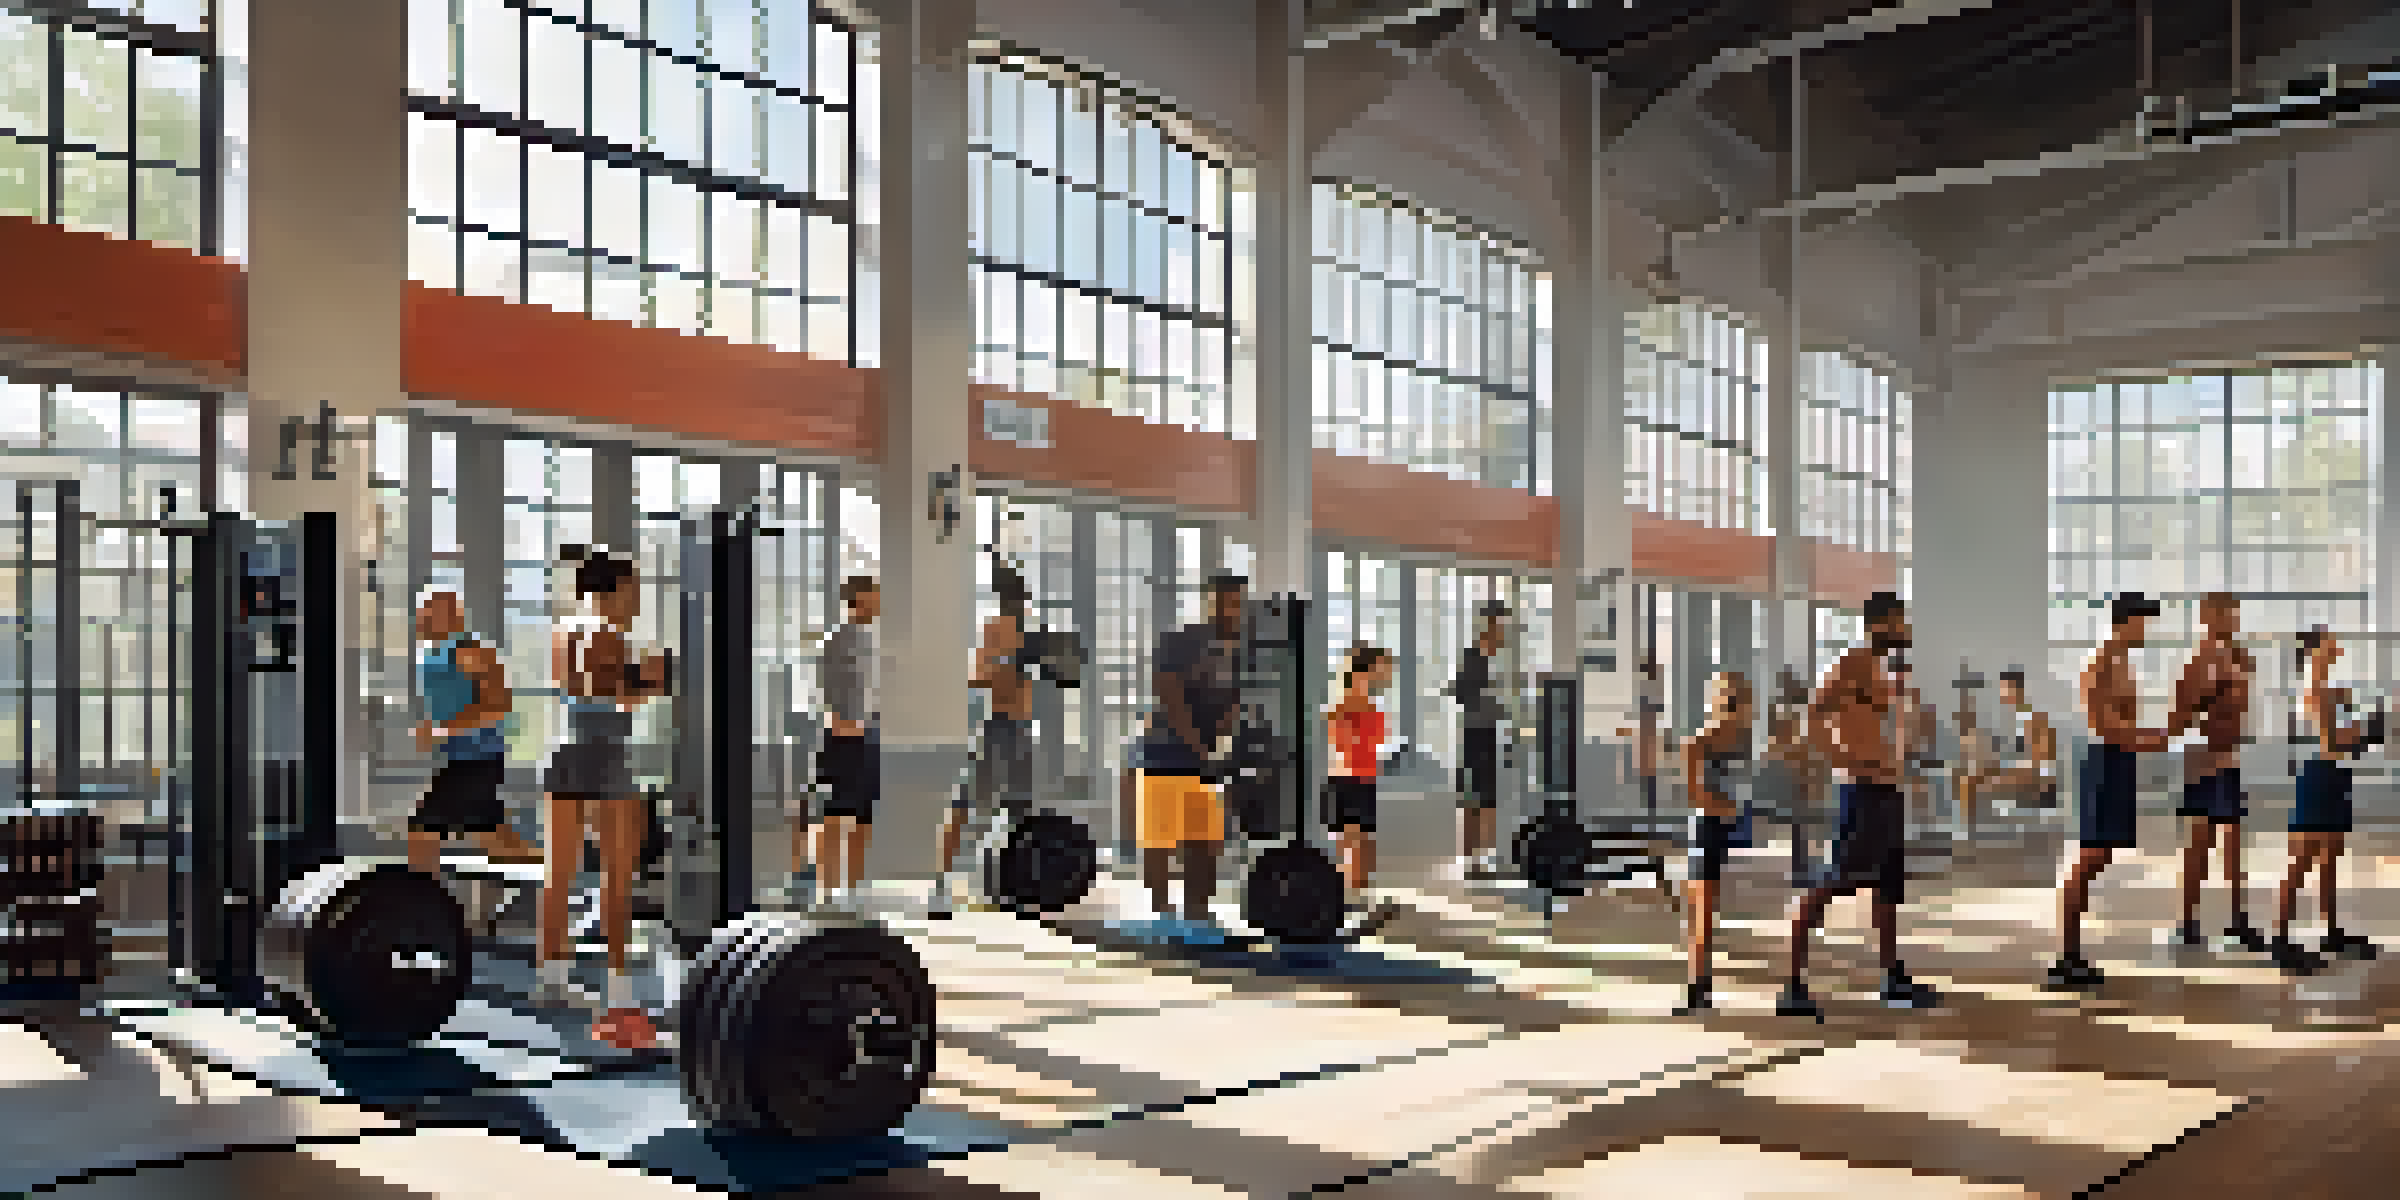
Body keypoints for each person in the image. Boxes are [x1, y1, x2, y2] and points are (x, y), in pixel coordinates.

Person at [1778, 591, 1939, 1019]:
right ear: (1880, 624)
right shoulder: (1850, 663)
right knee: (1830, 884)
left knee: (1887, 888)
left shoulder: (1886, 671)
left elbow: (1896, 727)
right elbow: (1813, 715)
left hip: (1887, 789)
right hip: (1860, 790)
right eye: (1901, 622)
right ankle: (1791, 985)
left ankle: (1892, 979)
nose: (1907, 630)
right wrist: (1843, 757)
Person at [537, 546, 671, 1050]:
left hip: (563, 750)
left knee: (559, 872)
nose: (636, 600)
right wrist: (655, 678)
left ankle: (552, 978)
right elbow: (610, 691)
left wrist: (642, 676)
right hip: (606, 752)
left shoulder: (563, 631)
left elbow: (576, 686)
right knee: (618, 874)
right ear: (614, 590)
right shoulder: (608, 633)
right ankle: (618, 989)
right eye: (633, 589)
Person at [2046, 591, 2167, 992]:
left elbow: (2121, 722)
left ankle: (2071, 954)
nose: (2147, 631)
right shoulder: (2099, 662)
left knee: (2100, 854)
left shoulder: (2121, 661)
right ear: (2127, 620)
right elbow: (2102, 725)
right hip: (2103, 761)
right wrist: (2149, 738)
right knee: (2089, 856)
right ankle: (2066, 957)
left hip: (2118, 761)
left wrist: (2150, 737)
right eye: (2144, 623)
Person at [1135, 573, 1247, 939]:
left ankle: (1199, 911)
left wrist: (1221, 748)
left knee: (1204, 839)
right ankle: (1163, 912)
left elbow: (1238, 702)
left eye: (1237, 603)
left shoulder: (1244, 651)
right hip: (1166, 752)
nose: (1232, 610)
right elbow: (1169, 694)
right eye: (1224, 601)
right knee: (1161, 838)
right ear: (1209, 602)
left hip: (1210, 757)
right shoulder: (1179, 641)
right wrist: (1200, 746)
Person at [407, 589, 541, 874]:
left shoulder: (470, 652)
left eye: (432, 611)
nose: (423, 617)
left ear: (453, 616)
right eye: (423, 611)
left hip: (478, 759)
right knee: (495, 840)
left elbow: (499, 705)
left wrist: (442, 730)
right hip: (462, 758)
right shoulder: (432, 654)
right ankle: (560, 868)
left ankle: (418, 896)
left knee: (422, 831)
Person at [2273, 627, 2379, 972]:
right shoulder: (2315, 691)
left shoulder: (2334, 690)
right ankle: (2280, 940)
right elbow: (2333, 741)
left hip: (2336, 773)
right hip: (2316, 774)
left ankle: (2331, 932)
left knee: (2330, 856)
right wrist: (2370, 728)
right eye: (2330, 639)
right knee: (2303, 858)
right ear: (2315, 649)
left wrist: (2364, 730)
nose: (2337, 643)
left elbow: (2347, 740)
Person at [2166, 593, 2267, 952]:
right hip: (2203, 761)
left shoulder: (2238, 658)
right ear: (2208, 616)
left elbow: (2241, 709)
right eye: (2226, 613)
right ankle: (2187, 923)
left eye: (2235, 613)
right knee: (2200, 844)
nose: (2233, 620)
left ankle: (2237, 920)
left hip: (2230, 760)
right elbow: (2178, 721)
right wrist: (2211, 697)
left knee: (2234, 844)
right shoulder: (2197, 663)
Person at [935, 565, 1036, 914]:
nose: (1023, 603)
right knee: (966, 804)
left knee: (1018, 812)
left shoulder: (1030, 631)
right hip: (999, 726)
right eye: (1019, 597)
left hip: (1022, 728)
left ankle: (1011, 888)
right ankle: (941, 885)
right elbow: (978, 676)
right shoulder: (996, 628)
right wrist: (1006, 667)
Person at [1677, 670, 1753, 1016]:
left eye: (1741, 700)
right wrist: (1728, 808)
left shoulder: (1744, 746)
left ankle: (1702, 985)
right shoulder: (1697, 744)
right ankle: (1698, 987)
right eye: (1732, 700)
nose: (1737, 708)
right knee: (1702, 913)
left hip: (1735, 829)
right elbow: (1696, 796)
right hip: (1709, 829)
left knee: (1721, 912)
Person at [814, 575, 883, 906]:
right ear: (861, 598)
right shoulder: (839, 640)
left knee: (865, 819)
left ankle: (855, 892)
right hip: (844, 738)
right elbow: (829, 686)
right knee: (835, 816)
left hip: (871, 736)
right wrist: (843, 724)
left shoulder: (874, 641)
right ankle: (827, 892)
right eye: (876, 594)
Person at [1448, 602, 1512, 876]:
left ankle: (1488, 858)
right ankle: (1471, 860)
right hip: (1476, 734)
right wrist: (1491, 700)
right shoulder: (1473, 656)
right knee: (1473, 798)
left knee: (1493, 799)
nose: (1501, 631)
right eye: (1498, 625)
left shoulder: (1506, 660)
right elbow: (1459, 693)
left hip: (1499, 735)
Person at [1326, 643, 1393, 897]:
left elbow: (1371, 743)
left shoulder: (1371, 708)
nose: (1384, 678)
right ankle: (1347, 896)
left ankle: (1356, 896)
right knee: (1351, 843)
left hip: (1365, 778)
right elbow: (1343, 744)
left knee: (1364, 845)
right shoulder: (1341, 707)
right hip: (1346, 779)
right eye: (1381, 670)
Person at [1983, 667, 2059, 816]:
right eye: (2002, 691)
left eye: (2006, 691)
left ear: (2018, 690)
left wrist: (2003, 778)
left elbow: (2040, 765)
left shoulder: (2035, 720)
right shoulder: (2018, 720)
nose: (2003, 696)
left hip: (2039, 792)